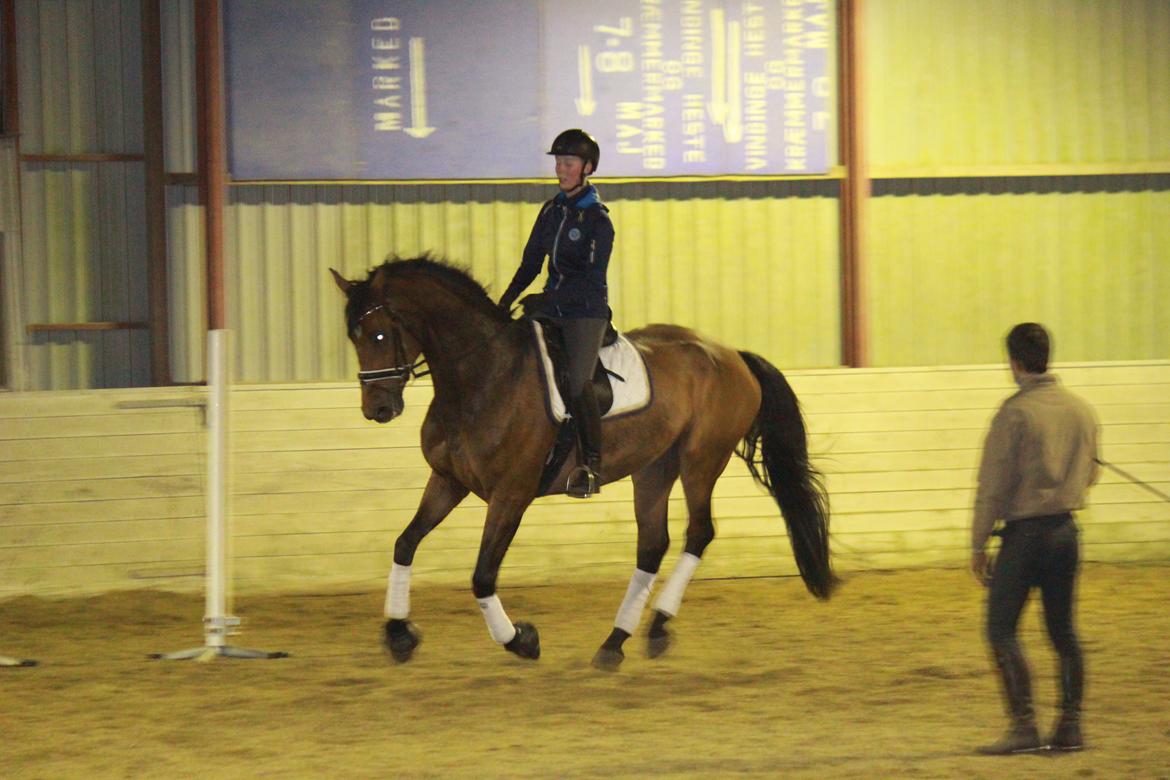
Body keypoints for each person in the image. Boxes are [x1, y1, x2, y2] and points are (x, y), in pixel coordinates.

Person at [971, 323, 1099, 755]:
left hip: (1024, 536)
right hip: (1065, 533)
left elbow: (993, 485)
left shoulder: (1013, 414)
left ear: (1015, 361)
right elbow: (1093, 473)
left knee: (1001, 629)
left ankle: (1024, 725)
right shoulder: (1081, 409)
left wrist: (978, 543)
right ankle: (1070, 725)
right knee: (1063, 632)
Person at [497, 128, 614, 499]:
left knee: (578, 381)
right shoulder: (551, 211)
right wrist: (505, 302)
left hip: (584, 312)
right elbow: (530, 263)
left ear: (587, 168)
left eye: (568, 163)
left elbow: (590, 279)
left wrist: (547, 302)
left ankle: (591, 466)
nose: (561, 169)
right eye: (558, 163)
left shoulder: (598, 220)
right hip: (550, 306)